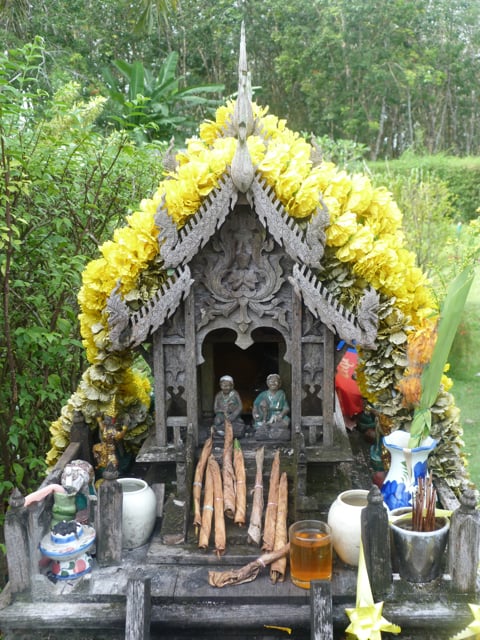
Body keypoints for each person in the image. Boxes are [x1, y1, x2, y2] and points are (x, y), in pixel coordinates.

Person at [252, 373, 290, 441]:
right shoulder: (263, 394)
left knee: (286, 421)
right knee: (259, 424)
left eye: (276, 381)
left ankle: (269, 427)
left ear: (279, 384)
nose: (273, 383)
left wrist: (281, 415)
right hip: (266, 415)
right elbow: (255, 406)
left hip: (278, 416)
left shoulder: (281, 393)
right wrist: (256, 414)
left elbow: (286, 407)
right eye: (271, 381)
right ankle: (268, 428)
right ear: (267, 383)